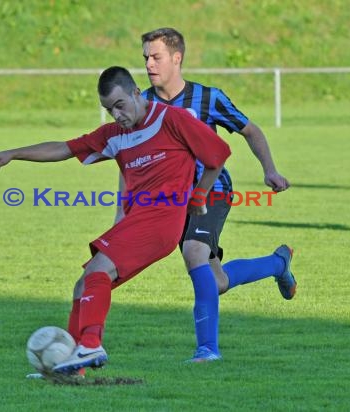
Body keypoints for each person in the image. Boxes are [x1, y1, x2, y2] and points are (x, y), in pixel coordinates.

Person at [0, 66, 231, 374]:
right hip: (137, 220)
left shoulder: (172, 119)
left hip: (161, 220)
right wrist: (13, 153)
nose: (116, 114)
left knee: (99, 270)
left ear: (136, 93)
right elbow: (64, 148)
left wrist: (199, 195)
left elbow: (218, 154)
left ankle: (91, 344)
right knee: (84, 285)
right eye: (109, 109)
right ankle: (72, 365)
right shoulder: (113, 135)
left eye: (120, 105)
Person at [121, 27, 297, 362]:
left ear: (177, 58)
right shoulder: (142, 104)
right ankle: (278, 263)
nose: (148, 63)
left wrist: (270, 169)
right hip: (173, 201)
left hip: (212, 191)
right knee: (215, 282)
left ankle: (207, 351)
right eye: (145, 57)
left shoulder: (209, 98)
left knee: (194, 252)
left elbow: (250, 130)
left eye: (155, 56)